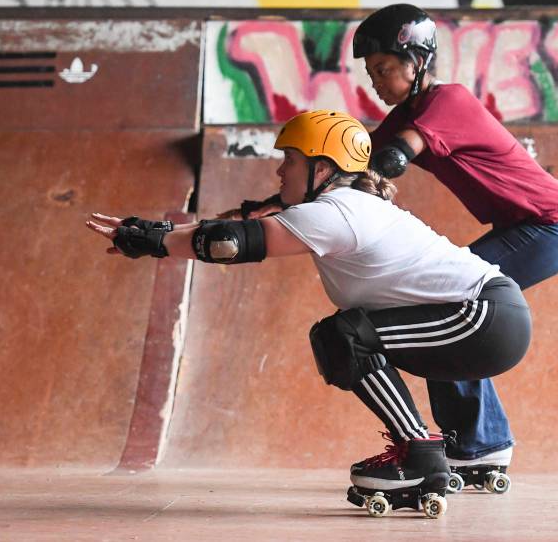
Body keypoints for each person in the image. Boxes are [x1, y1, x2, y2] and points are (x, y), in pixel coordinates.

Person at [88, 110, 532, 517]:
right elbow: (230, 230)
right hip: (485, 319)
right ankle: (445, 450)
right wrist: (156, 234)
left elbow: (231, 243)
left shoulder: (338, 213)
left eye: (291, 160)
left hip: (485, 319)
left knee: (344, 337)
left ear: (322, 169)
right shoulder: (338, 205)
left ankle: (420, 456)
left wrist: (150, 241)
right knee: (344, 336)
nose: (280, 170)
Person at [230, 4, 558, 491]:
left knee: (454, 303)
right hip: (525, 225)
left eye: (383, 69)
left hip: (554, 224)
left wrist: (368, 172)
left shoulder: (448, 101)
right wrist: (264, 208)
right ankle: (477, 443)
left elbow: (393, 158)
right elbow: (344, 171)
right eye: (370, 72)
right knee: (440, 317)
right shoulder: (405, 114)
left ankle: (482, 443)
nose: (375, 82)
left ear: (418, 61)